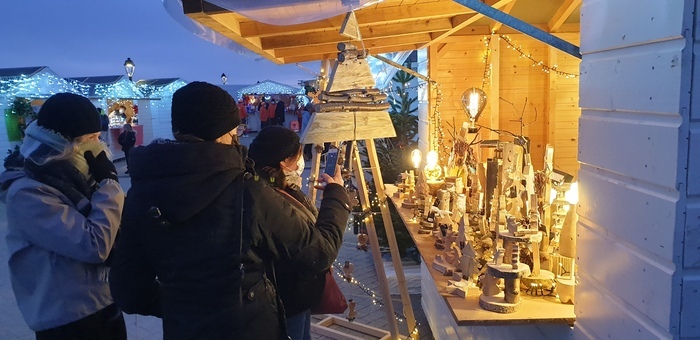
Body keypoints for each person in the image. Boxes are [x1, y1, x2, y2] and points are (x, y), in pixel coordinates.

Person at [108, 82, 351, 340]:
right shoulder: (247, 192)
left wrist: (184, 307)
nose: (235, 138)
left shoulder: (141, 194)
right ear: (222, 133)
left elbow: (128, 291)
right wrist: (337, 194)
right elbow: (318, 253)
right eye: (233, 131)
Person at [0, 93, 125, 339]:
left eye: (99, 137)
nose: (99, 146)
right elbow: (95, 244)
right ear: (64, 142)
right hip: (67, 319)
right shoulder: (28, 192)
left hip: (104, 302)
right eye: (90, 139)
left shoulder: (80, 179)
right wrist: (110, 185)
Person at [248, 126, 337, 340]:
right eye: (296, 158)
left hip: (298, 295)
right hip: (286, 297)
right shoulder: (267, 198)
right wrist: (337, 196)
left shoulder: (279, 187)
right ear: (281, 163)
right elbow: (317, 249)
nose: (300, 164)